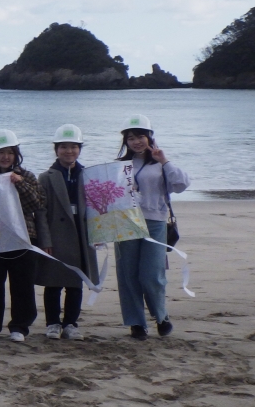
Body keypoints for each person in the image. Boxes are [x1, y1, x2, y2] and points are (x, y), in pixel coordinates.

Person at [115, 115, 190, 340]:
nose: (136, 142)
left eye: (140, 136)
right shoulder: (120, 165)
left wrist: (164, 161)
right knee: (128, 275)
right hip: (126, 223)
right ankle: (136, 323)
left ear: (149, 137)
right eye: (131, 138)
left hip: (155, 222)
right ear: (125, 142)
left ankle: (161, 316)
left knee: (151, 275)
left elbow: (182, 184)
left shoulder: (159, 163)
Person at [0, 129, 49, 342]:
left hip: (23, 237)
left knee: (22, 284)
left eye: (10, 152)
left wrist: (20, 184)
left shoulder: (27, 176)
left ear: (16, 154)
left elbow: (37, 203)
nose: (5, 157)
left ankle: (20, 326)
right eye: (0, 152)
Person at [36, 124, 100, 340]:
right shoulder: (46, 177)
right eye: (64, 147)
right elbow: (41, 212)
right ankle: (53, 323)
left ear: (79, 149)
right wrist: (44, 239)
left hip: (81, 235)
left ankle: (71, 323)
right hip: (55, 235)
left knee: (76, 281)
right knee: (53, 282)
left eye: (73, 147)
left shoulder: (90, 175)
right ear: (56, 150)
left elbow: (100, 207)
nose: (69, 151)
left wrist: (99, 234)